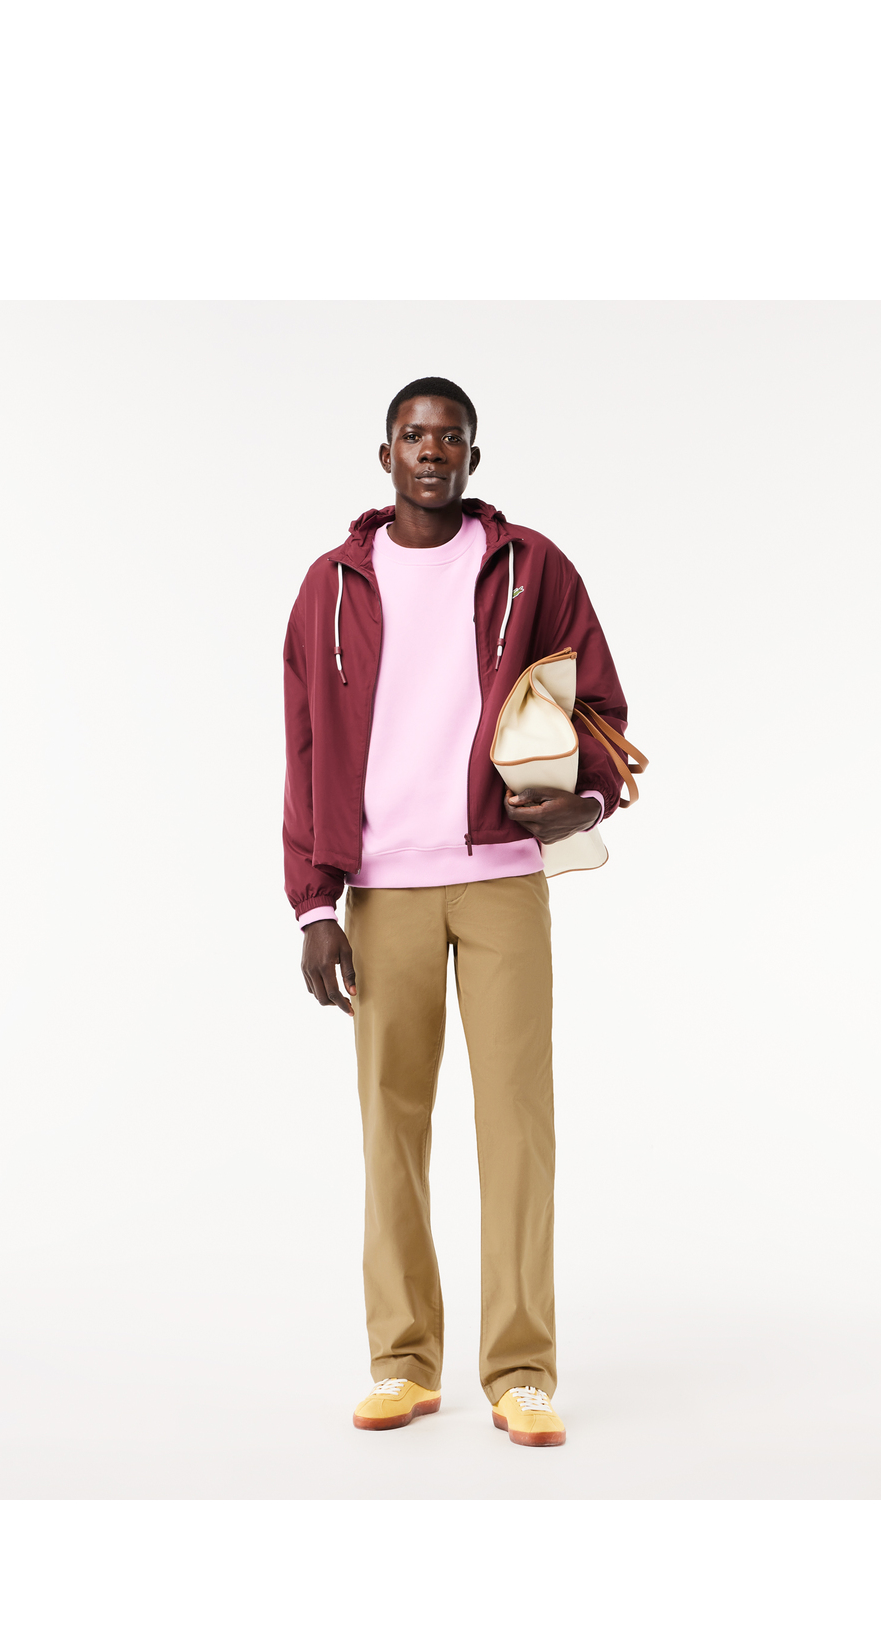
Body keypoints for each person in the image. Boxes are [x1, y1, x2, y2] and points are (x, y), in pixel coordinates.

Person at [282, 377, 631, 1448]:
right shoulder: (330, 587)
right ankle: (402, 1360)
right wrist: (313, 903)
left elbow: (603, 708)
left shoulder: (530, 566)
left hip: (502, 878)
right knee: (391, 1127)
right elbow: (304, 746)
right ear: (385, 454)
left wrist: (587, 798)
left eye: (450, 438)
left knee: (518, 1124)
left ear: (473, 458)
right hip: (380, 889)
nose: (431, 451)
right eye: (413, 435)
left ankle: (521, 1372)